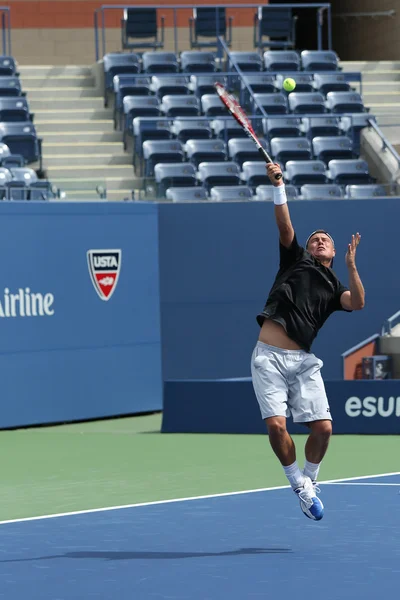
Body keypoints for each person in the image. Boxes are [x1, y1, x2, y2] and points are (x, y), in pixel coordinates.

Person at [251, 163, 365, 521]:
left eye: (325, 240)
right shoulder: (295, 259)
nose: (318, 241)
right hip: (268, 357)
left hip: (302, 362)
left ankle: (310, 480)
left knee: (324, 428)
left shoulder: (335, 288)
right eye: (315, 238)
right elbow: (285, 226)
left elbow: (358, 303)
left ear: (332, 253)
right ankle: (296, 483)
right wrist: (278, 185)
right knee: (276, 425)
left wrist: (352, 265)